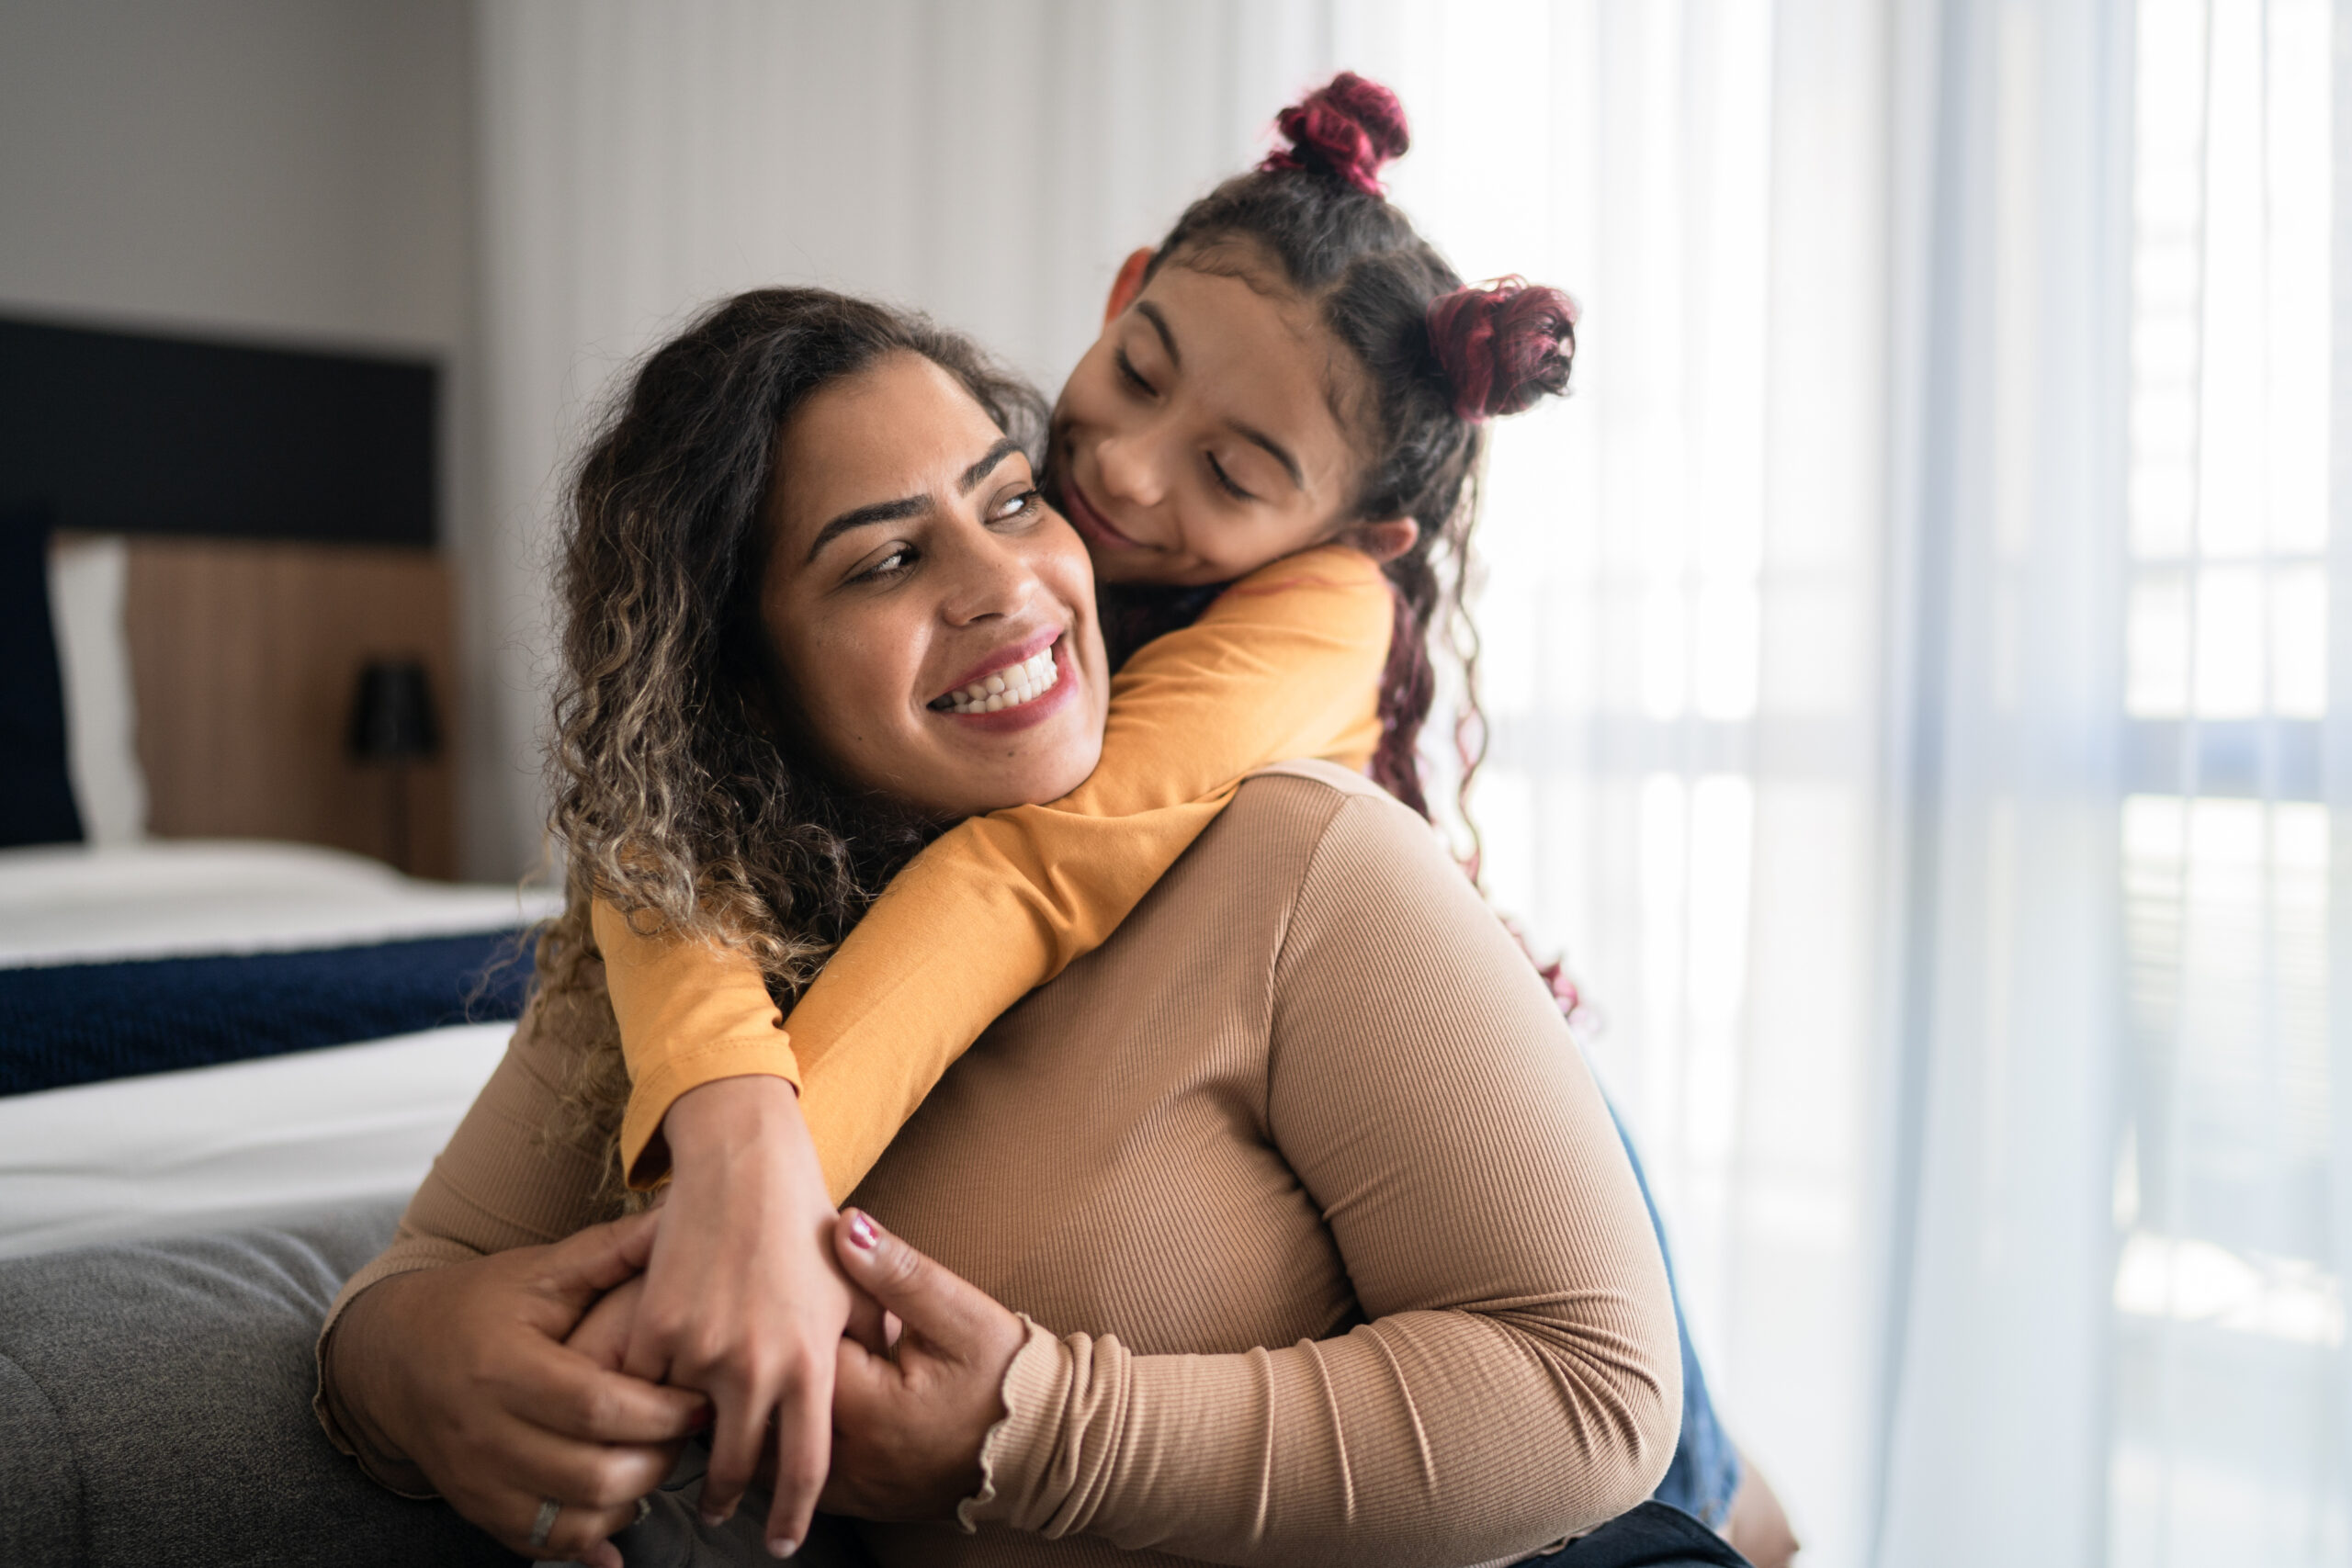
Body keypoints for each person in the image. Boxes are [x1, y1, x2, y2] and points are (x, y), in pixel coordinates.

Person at [318, 288, 1737, 1567]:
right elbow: (415, 1282)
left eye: (1008, 503)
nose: (1005, 585)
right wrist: (411, 1369)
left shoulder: (1304, 857)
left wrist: (1031, 1426)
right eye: (881, 563)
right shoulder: (692, 932)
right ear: (741, 683)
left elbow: (1594, 1389)